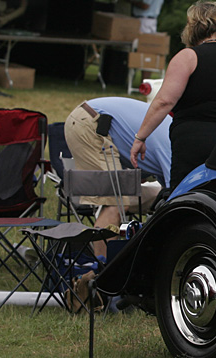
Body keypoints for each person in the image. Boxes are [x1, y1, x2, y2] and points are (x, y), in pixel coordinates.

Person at [131, 1, 216, 189]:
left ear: (193, 27)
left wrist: (140, 137)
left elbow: (164, 101)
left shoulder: (188, 57)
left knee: (189, 197)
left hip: (194, 143)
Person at [65, 97, 172, 256]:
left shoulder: (179, 145)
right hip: (91, 123)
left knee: (124, 201)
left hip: (94, 119)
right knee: (115, 204)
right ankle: (102, 273)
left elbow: (167, 195)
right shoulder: (175, 153)